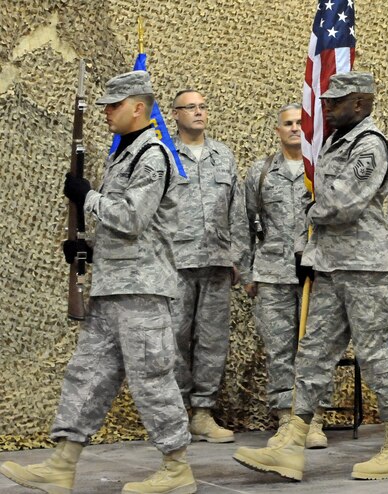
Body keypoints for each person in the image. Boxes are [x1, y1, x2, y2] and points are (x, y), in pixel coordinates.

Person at [0, 71, 196, 493]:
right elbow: (119, 228)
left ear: (138, 107)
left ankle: (177, 469)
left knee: (152, 378)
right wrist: (87, 249)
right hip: (111, 288)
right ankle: (61, 465)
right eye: (105, 104)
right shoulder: (123, 154)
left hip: (142, 291)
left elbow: (130, 218)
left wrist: (87, 196)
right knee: (86, 375)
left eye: (114, 105)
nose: (106, 112)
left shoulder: (153, 155)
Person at [233, 72, 388, 481]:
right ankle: (294, 439)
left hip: (366, 267)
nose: (326, 108)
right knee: (312, 353)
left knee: (375, 357)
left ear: (361, 104)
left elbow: (342, 203)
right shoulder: (334, 142)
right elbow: (325, 198)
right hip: (331, 264)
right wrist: (315, 212)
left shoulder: (370, 145)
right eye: (327, 101)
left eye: (337, 102)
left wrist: (308, 210)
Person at [243, 103, 329, 449]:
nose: (295, 128)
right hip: (273, 273)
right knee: (279, 349)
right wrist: (248, 271)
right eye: (288, 124)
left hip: (315, 275)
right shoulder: (260, 172)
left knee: (315, 349)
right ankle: (284, 417)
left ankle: (314, 419)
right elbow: (245, 223)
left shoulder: (323, 171)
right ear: (277, 130)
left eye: (301, 123)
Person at [169, 89, 249, 444]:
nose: (199, 113)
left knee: (213, 340)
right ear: (175, 114)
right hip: (175, 262)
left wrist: (237, 258)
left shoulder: (223, 156)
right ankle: (174, 413)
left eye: (203, 107)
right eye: (191, 107)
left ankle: (203, 413)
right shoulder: (163, 155)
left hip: (216, 261)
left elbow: (238, 213)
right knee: (172, 338)